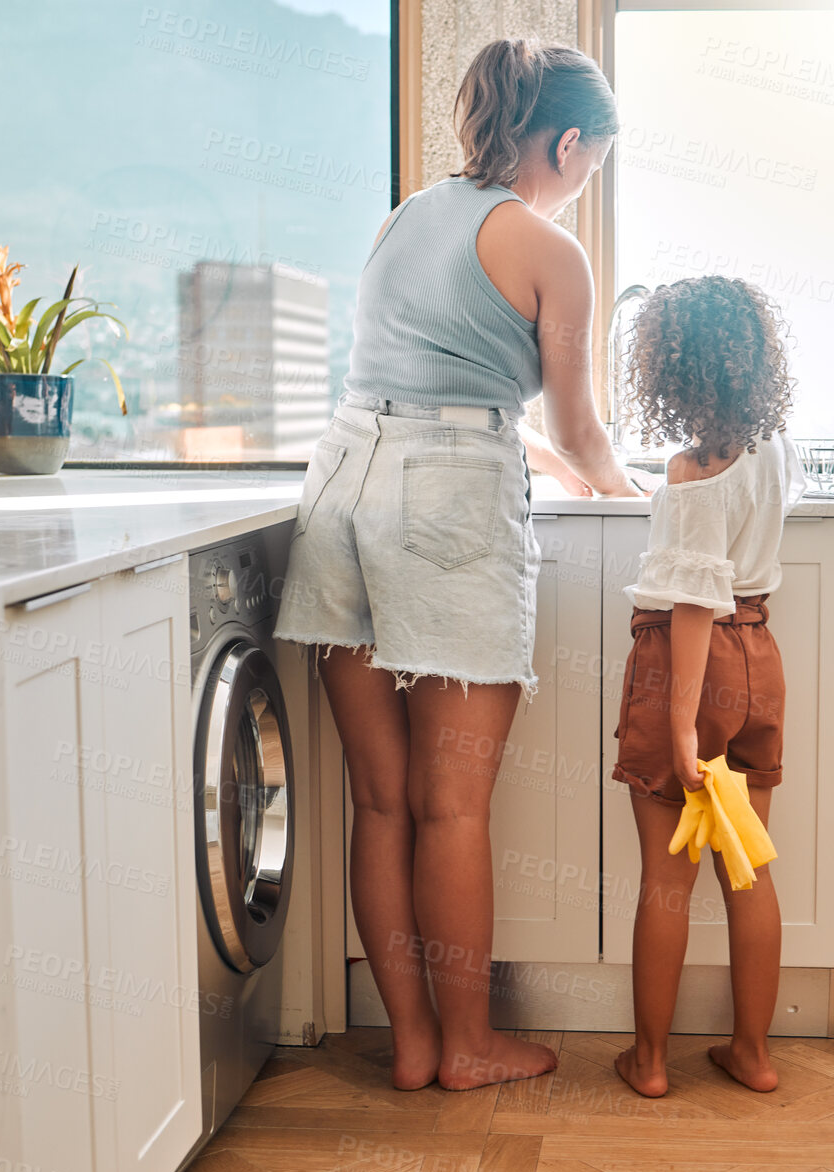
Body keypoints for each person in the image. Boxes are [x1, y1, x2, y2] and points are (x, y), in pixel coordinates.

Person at [274, 38, 640, 1091]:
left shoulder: (404, 217)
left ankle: (416, 1044)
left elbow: (412, 387)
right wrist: (617, 485)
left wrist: (527, 447)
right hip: (446, 511)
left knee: (380, 799)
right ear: (566, 143)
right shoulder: (545, 248)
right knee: (453, 804)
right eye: (593, 164)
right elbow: (577, 430)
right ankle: (471, 1045)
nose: (585, 184)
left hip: (341, 485)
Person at [608, 276, 807, 1098]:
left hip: (688, 672)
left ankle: (650, 1063)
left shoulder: (691, 471)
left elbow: (691, 607)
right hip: (760, 658)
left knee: (666, 876)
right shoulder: (777, 449)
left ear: (670, 370)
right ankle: (753, 1056)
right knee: (748, 869)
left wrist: (681, 727)